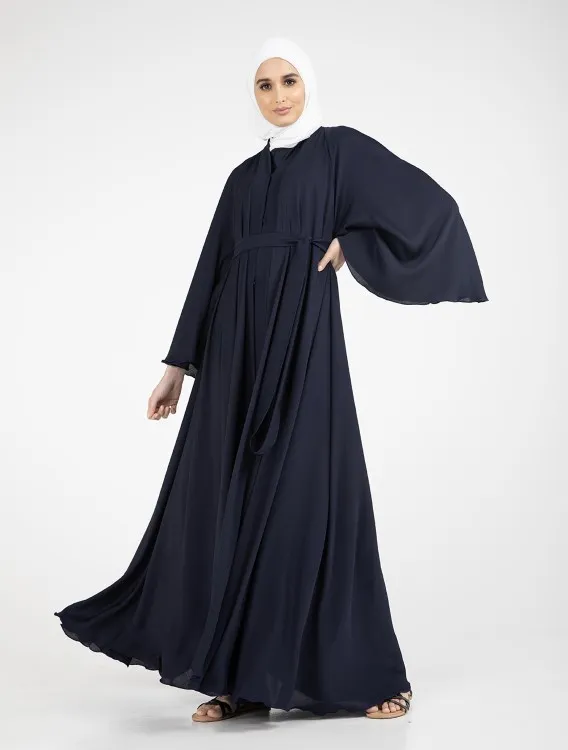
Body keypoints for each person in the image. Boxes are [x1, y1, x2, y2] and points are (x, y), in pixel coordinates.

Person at [54, 37, 488, 723]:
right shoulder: (241, 180)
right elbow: (210, 270)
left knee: (313, 495)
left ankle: (368, 674)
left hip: (302, 341)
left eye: (289, 81)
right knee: (234, 501)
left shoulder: (339, 151)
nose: (279, 95)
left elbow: (430, 206)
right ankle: (239, 679)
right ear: (253, 96)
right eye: (264, 85)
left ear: (308, 84)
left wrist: (354, 242)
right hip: (234, 355)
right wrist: (177, 367)